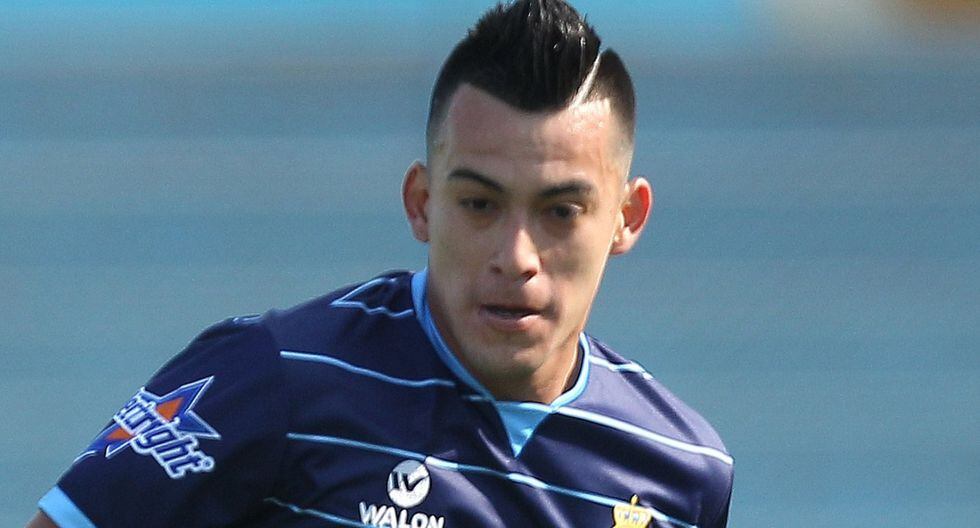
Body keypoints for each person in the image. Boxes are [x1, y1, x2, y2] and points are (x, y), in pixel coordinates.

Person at [28, 1, 733, 526]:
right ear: (422, 204)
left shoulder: (683, 473)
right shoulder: (272, 378)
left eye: (560, 212)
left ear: (626, 218)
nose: (517, 257)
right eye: (480, 205)